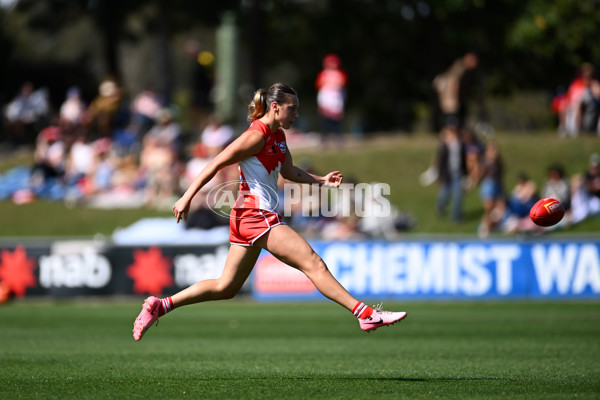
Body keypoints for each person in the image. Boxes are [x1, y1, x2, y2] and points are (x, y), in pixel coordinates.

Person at [132, 83, 407, 340]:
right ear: (275, 107)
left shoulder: (279, 136)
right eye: (292, 108)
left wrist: (321, 180)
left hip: (249, 218)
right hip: (256, 215)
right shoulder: (256, 135)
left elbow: (288, 171)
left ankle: (161, 305)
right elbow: (215, 163)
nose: (297, 114)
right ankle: (365, 314)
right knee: (314, 263)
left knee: (225, 287)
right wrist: (186, 198)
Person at [432, 52, 480, 130]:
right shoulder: (461, 67)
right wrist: (455, 96)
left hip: (449, 92)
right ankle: (450, 132)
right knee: (451, 114)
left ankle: (451, 131)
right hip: (449, 93)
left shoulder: (461, 66)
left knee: (451, 114)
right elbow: (453, 81)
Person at [435, 124, 467, 223]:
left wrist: (465, 173)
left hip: (457, 173)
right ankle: (440, 208)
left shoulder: (461, 145)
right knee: (444, 194)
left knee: (457, 196)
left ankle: (456, 217)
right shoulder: (444, 146)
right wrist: (440, 175)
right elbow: (440, 161)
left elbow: (463, 160)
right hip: (447, 174)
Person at [315, 54, 348, 146]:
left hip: (336, 102)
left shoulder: (340, 74)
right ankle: (324, 141)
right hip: (326, 102)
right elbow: (321, 89)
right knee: (326, 123)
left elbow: (342, 89)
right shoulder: (323, 74)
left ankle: (339, 140)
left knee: (336, 123)